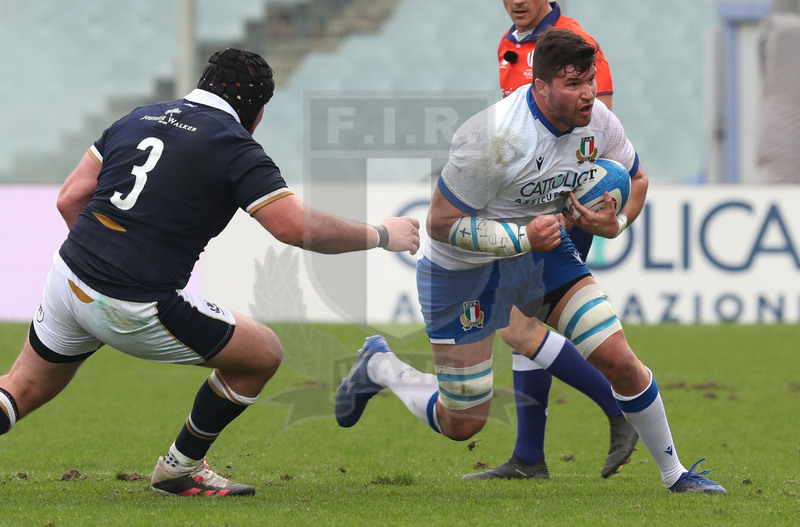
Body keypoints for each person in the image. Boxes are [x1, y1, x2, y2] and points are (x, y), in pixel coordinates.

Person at [0, 48, 420, 498]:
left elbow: (69, 198)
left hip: (69, 279)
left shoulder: (139, 118)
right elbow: (294, 227)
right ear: (257, 114)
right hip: (135, 301)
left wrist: (103, 263)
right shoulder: (233, 145)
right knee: (263, 354)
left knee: (19, 388)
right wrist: (381, 234)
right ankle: (179, 469)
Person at [336, 28, 726, 494]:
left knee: (619, 358)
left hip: (542, 257)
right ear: (540, 86)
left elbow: (636, 178)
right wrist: (522, 235)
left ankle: (676, 476)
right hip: (463, 271)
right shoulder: (493, 139)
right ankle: (380, 366)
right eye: (572, 84)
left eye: (590, 81)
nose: (587, 95)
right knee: (463, 421)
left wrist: (616, 222)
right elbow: (440, 223)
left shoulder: (599, 121)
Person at [461, 0, 637, 481]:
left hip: (562, 213)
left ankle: (618, 407)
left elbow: (599, 131)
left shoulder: (575, 40)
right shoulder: (510, 43)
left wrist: (575, 206)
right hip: (525, 211)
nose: (517, 0)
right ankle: (528, 457)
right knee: (523, 335)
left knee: (517, 328)